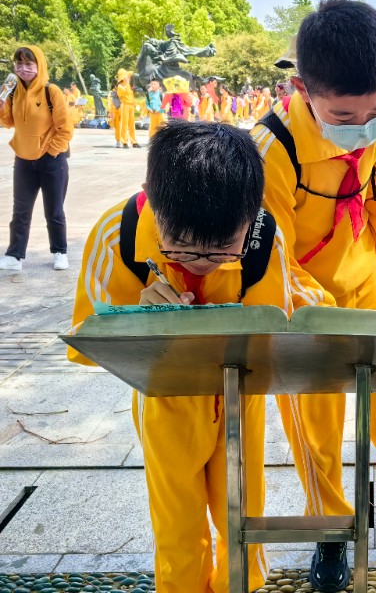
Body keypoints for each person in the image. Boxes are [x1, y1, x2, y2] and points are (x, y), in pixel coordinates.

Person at [67, 121, 331, 593]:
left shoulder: (263, 240)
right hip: (164, 399)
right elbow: (90, 340)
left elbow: (278, 328)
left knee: (242, 514)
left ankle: (239, 584)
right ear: (153, 201)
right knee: (176, 522)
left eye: (223, 250)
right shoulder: (117, 234)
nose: (203, 263)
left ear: (252, 213)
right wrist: (137, 322)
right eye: (182, 248)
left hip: (240, 397)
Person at [250, 0, 376, 590]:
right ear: (303, 90)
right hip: (300, 297)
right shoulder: (273, 147)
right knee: (315, 416)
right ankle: (330, 518)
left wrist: (375, 270)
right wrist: (315, 312)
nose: (363, 125)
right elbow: (271, 254)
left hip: (362, 277)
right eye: (344, 114)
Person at [0, 45, 73, 272]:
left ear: (39, 65)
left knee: (54, 211)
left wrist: (51, 152)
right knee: (20, 211)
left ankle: (60, 252)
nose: (23, 69)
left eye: (29, 64)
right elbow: (8, 122)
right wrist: (2, 104)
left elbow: (65, 128)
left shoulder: (52, 92)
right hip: (23, 160)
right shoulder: (13, 91)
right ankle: (14, 255)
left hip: (52, 161)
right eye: (19, 64)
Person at [115, 68, 139, 148]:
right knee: (124, 124)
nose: (129, 78)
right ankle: (124, 141)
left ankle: (134, 141)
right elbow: (122, 94)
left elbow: (131, 96)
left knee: (132, 124)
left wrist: (135, 105)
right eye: (127, 76)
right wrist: (128, 85)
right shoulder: (120, 86)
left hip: (131, 105)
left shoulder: (128, 86)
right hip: (124, 105)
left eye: (129, 76)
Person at [108, 79, 122, 148]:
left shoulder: (122, 91)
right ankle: (118, 140)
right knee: (117, 126)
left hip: (122, 110)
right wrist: (110, 112)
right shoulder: (112, 93)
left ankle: (124, 140)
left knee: (123, 126)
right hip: (115, 111)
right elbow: (110, 103)